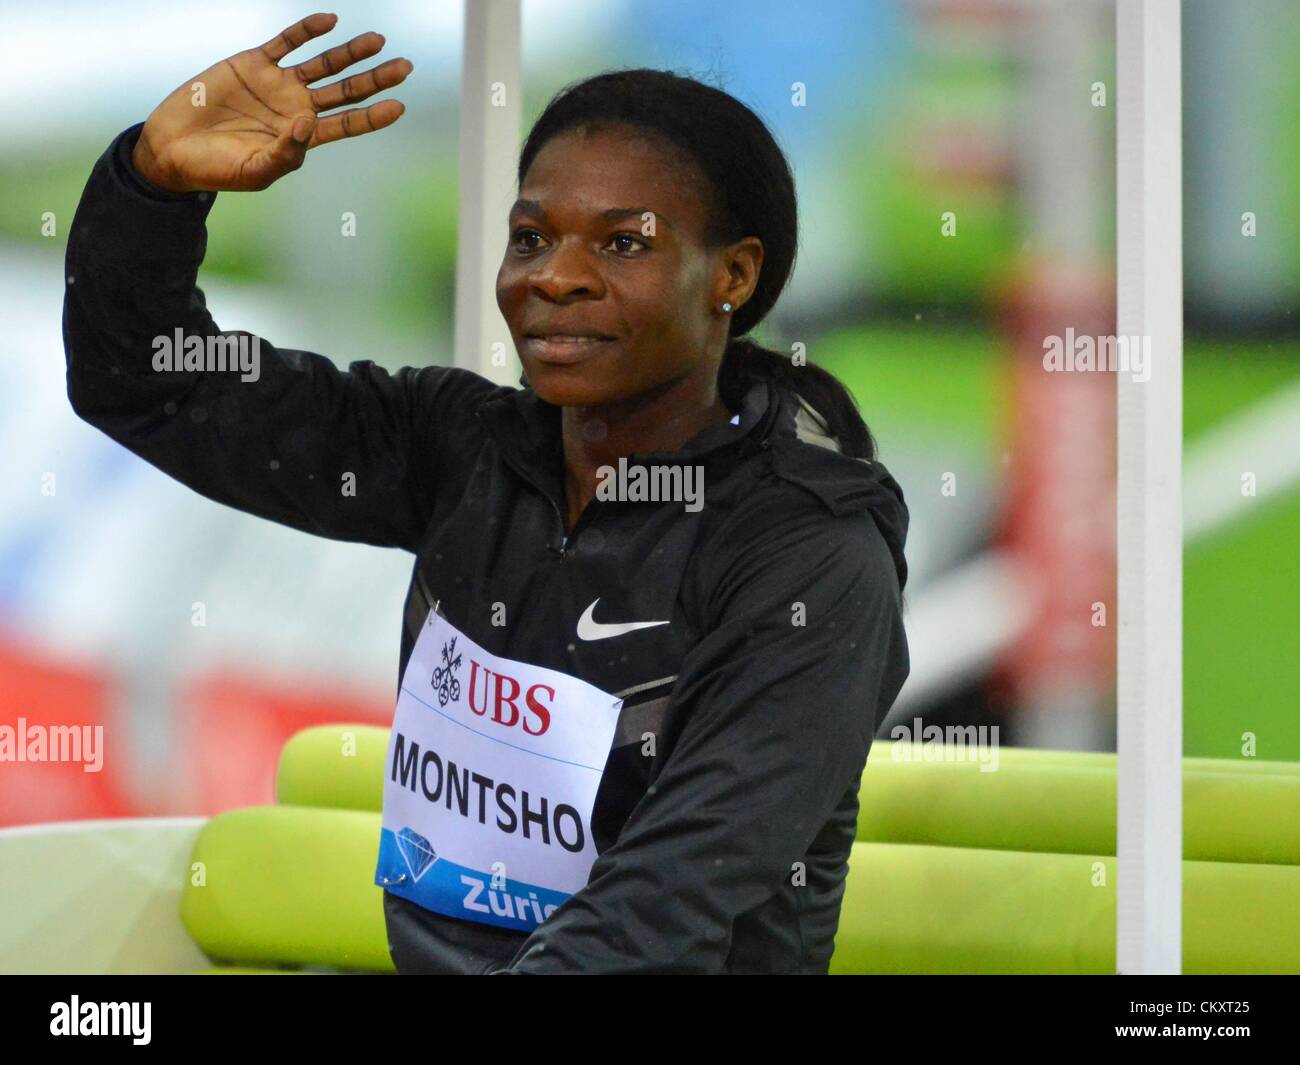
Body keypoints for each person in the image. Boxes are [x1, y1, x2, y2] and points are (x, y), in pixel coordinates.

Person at [63, 12, 910, 974]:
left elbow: (659, 905)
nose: (556, 277)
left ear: (734, 274)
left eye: (623, 244)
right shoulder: (463, 447)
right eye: (531, 235)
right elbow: (147, 383)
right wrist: (152, 188)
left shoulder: (811, 557)